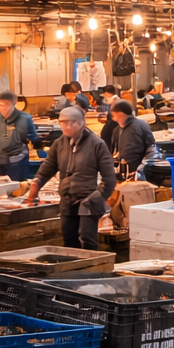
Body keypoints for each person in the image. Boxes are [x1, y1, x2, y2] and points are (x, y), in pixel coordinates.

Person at [27, 107, 116, 251]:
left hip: (88, 200)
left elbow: (110, 179)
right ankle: (73, 270)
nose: (64, 126)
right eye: (62, 122)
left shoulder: (97, 144)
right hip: (67, 199)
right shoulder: (59, 144)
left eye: (69, 123)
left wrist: (97, 197)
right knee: (69, 238)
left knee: (86, 238)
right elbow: (47, 168)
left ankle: (92, 269)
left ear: (80, 123)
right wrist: (36, 185)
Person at [0, 92, 40, 181]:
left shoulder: (25, 118)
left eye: (4, 105)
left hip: (18, 160)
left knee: (15, 187)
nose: (1, 108)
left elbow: (33, 136)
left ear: (12, 104)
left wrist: (38, 145)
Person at [109, 101, 162, 179]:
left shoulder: (137, 128)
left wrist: (139, 171)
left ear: (121, 114)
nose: (114, 119)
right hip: (127, 174)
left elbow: (151, 149)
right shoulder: (119, 129)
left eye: (114, 115)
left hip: (138, 176)